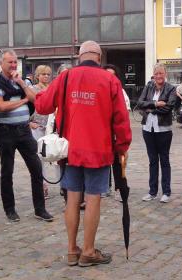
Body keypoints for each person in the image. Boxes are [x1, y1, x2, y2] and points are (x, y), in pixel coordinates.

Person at [35, 41, 132, 267]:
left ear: (80, 57)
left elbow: (43, 106)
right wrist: (123, 146)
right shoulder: (110, 80)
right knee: (93, 199)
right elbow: (121, 119)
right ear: (99, 57)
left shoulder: (66, 77)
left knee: (72, 199)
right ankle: (88, 251)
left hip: (70, 150)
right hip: (98, 149)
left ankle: (71, 250)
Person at [0, 49, 53, 222]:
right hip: (6, 132)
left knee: (36, 169)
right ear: (1, 63)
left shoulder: (22, 81)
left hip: (24, 131)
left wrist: (22, 84)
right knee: (7, 172)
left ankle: (40, 209)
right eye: (10, 62)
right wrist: (23, 100)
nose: (13, 65)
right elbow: (1, 106)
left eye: (15, 62)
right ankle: (10, 210)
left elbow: (35, 99)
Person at [139, 63, 176, 203]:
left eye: (161, 73)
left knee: (164, 160)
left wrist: (150, 109)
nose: (159, 76)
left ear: (165, 74)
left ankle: (166, 192)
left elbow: (168, 108)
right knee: (152, 161)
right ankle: (152, 191)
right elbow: (140, 103)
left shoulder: (170, 88)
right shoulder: (149, 86)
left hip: (163, 129)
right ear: (153, 75)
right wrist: (155, 104)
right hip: (148, 128)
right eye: (156, 73)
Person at [103, 64, 130, 201]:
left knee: (118, 162)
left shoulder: (120, 91)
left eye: (112, 75)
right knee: (103, 161)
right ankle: (104, 187)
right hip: (102, 135)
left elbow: (125, 112)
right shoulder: (99, 90)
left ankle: (120, 188)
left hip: (115, 134)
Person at [29, 65, 52, 199]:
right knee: (38, 158)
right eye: (43, 74)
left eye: (48, 74)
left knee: (54, 156)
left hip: (51, 128)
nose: (46, 76)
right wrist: (28, 122)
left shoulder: (52, 89)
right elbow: (27, 107)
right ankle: (42, 186)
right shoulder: (32, 89)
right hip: (37, 126)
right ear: (38, 75)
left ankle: (63, 186)